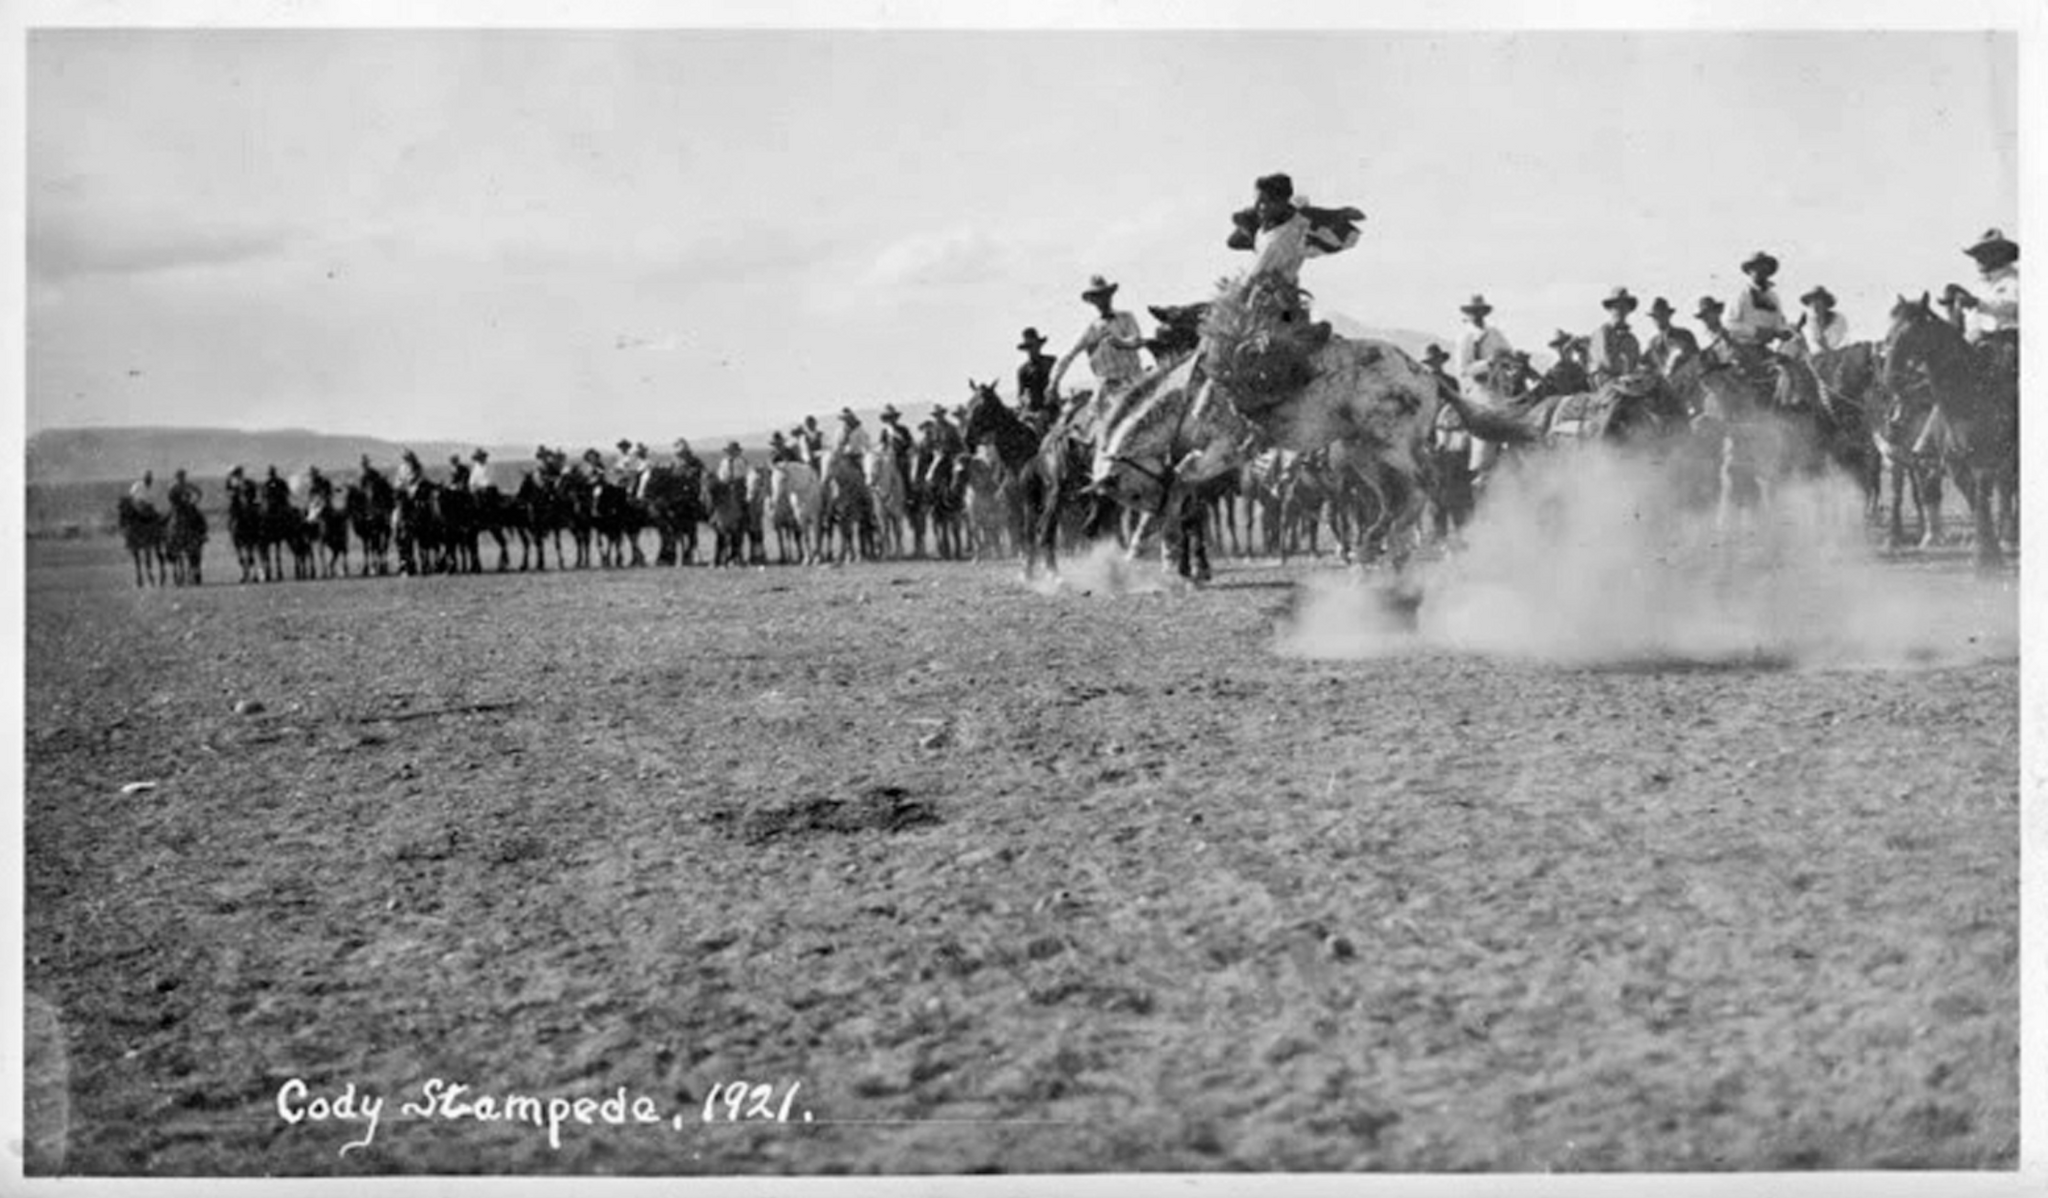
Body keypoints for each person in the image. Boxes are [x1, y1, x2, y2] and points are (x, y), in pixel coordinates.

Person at [1049, 275, 1147, 410]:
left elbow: (1137, 340)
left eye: (1105, 295)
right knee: (1102, 422)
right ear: (1093, 301)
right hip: (1111, 389)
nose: (1103, 300)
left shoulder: (1127, 317)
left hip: (1137, 381)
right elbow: (1068, 355)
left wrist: (1122, 343)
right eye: (1098, 296)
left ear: (1111, 296)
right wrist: (1054, 382)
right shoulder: (1091, 329)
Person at [1454, 295, 1515, 404]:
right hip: (1479, 388)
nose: (1477, 314)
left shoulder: (1495, 333)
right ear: (1469, 314)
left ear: (1484, 312)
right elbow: (1463, 370)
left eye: (1479, 310)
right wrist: (1488, 363)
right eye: (1474, 311)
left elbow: (1509, 352)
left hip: (1499, 387)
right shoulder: (1466, 337)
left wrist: (1507, 359)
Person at [1585, 287, 1645, 386]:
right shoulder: (1602, 333)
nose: (1621, 311)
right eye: (1617, 307)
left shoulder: (1632, 339)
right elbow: (1608, 364)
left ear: (1628, 310)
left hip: (1626, 382)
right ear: (1611, 310)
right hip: (1603, 381)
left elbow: (1636, 363)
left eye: (1624, 307)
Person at [1015, 327, 1058, 431]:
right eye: (1029, 347)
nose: (1032, 350)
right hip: (1032, 410)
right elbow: (1021, 393)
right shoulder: (1023, 370)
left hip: (1051, 407)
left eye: (1034, 346)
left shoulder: (1051, 362)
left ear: (1039, 346)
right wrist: (1025, 402)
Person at [1645, 297, 1700, 376]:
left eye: (1662, 315)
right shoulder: (1653, 343)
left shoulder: (1684, 335)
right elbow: (1647, 365)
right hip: (1663, 384)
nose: (1659, 319)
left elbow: (1696, 358)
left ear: (1668, 315)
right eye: (1655, 317)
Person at [1796, 287, 1851, 358]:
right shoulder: (1811, 323)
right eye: (1813, 302)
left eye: (1819, 301)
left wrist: (1822, 343)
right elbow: (1809, 345)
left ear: (1826, 304)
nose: (1816, 305)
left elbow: (1836, 343)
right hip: (1814, 359)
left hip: (1836, 358)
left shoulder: (1838, 319)